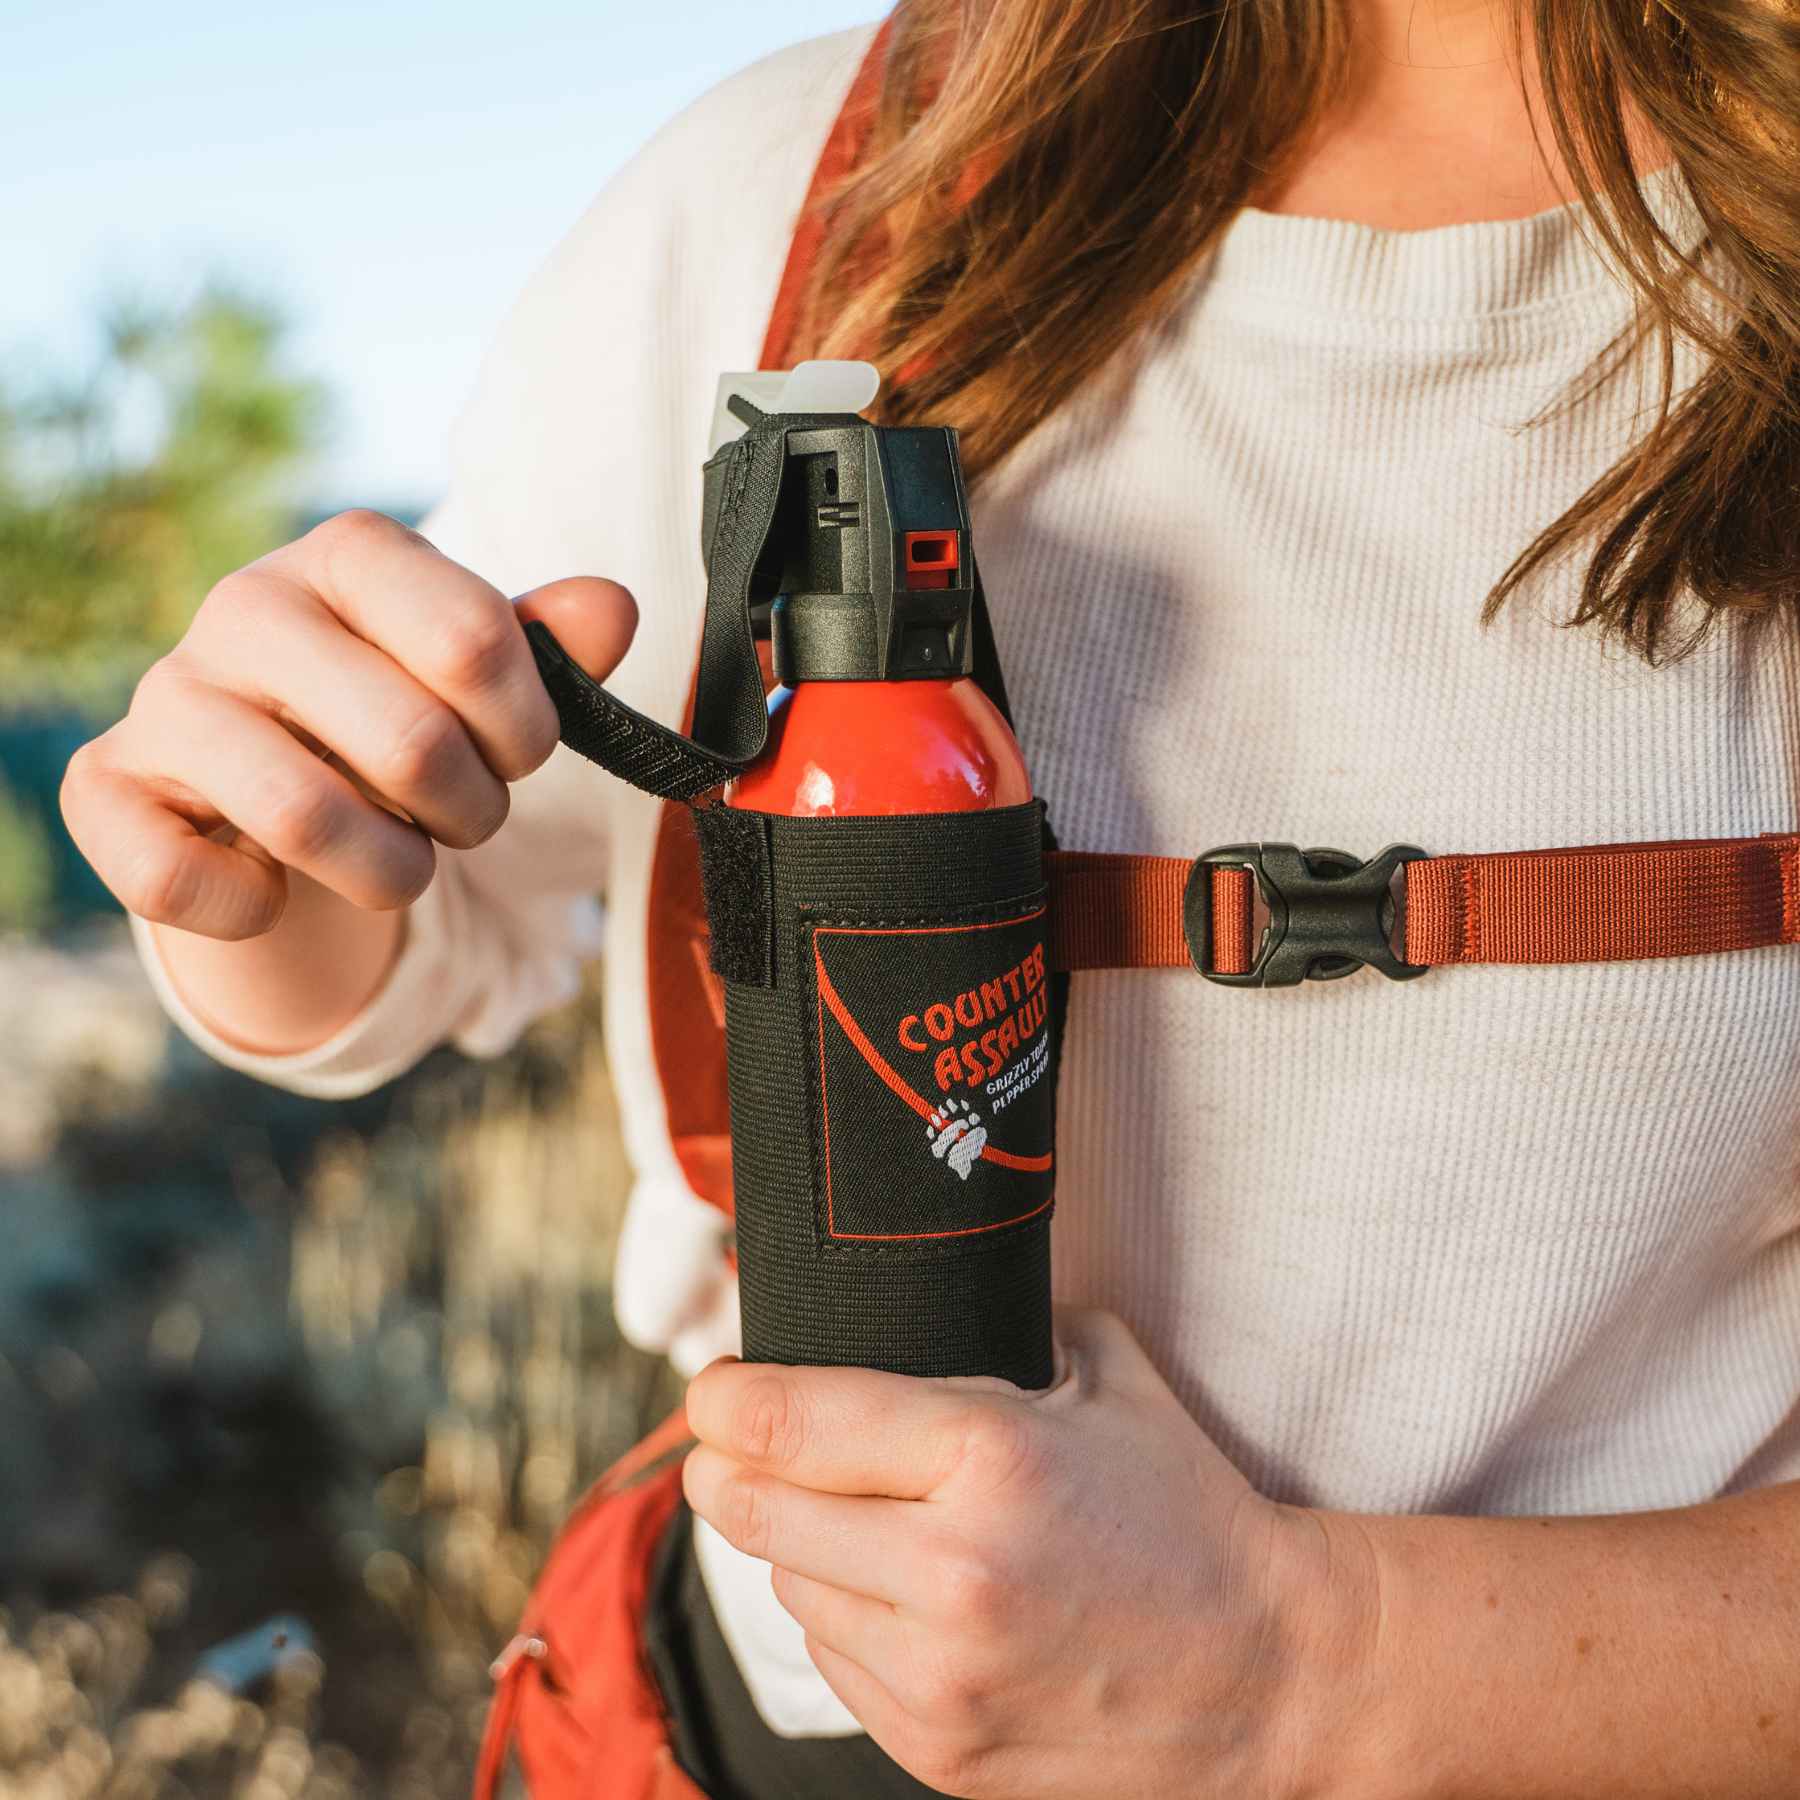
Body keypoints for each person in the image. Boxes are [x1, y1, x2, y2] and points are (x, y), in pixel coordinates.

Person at [61, 2, 1800, 1795]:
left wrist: (1310, 1660)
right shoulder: (810, 188)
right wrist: (260, 850)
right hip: (779, 1732)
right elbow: (435, 924)